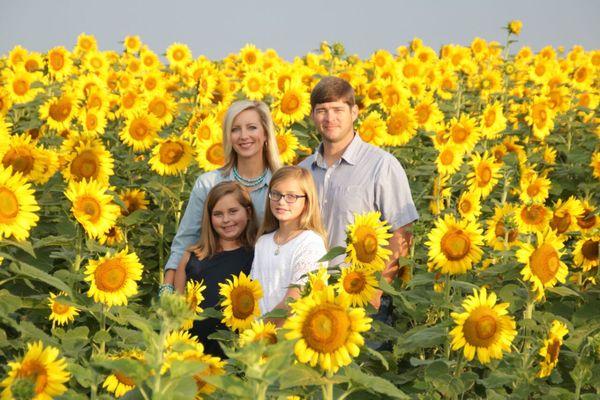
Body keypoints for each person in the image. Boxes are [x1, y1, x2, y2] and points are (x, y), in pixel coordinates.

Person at [298, 76, 419, 312]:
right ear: (313, 116)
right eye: (322, 110)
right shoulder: (303, 171)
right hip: (312, 298)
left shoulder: (381, 165)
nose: (329, 118)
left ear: (354, 112)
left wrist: (376, 290)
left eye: (337, 109)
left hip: (362, 298)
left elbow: (403, 232)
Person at [160, 100, 281, 295]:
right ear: (228, 136)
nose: (244, 136)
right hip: (212, 287)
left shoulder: (281, 184)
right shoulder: (208, 183)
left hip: (267, 289)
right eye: (235, 129)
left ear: (266, 133)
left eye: (252, 127)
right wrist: (167, 288)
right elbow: (185, 240)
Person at [174, 181, 257, 357]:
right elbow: (176, 313)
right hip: (191, 358)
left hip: (235, 358)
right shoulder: (191, 257)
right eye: (218, 214)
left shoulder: (257, 256)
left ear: (248, 212)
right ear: (209, 218)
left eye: (233, 211)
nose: (226, 219)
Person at [250, 166, 327, 320]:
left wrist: (263, 332)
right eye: (276, 194)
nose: (281, 202)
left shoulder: (310, 242)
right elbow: (255, 293)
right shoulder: (263, 242)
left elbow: (295, 300)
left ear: (306, 201)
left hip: (289, 335)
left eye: (291, 196)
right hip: (258, 335)